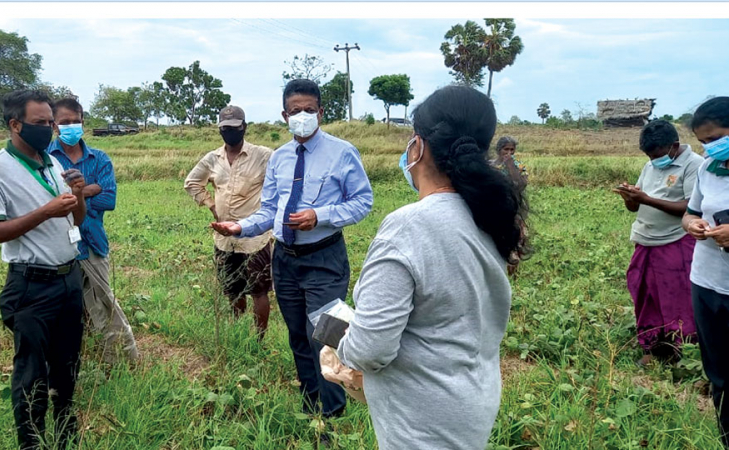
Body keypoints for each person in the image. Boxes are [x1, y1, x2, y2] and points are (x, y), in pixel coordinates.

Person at [336, 85, 527, 450]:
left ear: (418, 146)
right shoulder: (489, 215)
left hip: (422, 417)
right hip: (473, 397)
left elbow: (371, 349)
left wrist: (342, 347)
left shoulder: (409, 226)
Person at [211, 79, 373, 419]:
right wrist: (241, 226)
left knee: (325, 337)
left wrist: (321, 216)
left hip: (324, 260)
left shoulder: (342, 152)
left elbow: (363, 202)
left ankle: (332, 413)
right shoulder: (280, 158)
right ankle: (310, 402)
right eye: (295, 111)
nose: (303, 116)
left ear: (321, 113)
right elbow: (270, 209)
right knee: (298, 335)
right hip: (284, 260)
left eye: (309, 110)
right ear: (285, 115)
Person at [0, 90, 87, 449]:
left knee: (67, 366)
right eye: (40, 123)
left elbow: (75, 219)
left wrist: (79, 195)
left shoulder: (51, 163)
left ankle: (65, 435)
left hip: (69, 278)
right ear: (15, 124)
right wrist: (46, 211)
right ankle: (31, 442)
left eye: (50, 122)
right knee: (32, 373)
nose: (49, 129)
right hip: (31, 286)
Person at [47, 97, 139, 364]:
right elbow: (46, 201)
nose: (71, 126)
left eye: (76, 121)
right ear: (55, 126)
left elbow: (108, 199)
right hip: (57, 245)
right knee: (67, 307)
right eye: (65, 122)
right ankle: (78, 357)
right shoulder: (46, 158)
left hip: (92, 242)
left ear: (83, 122)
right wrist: (89, 189)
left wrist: (72, 195)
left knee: (104, 303)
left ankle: (122, 358)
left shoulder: (99, 158)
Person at [613, 119, 702, 366]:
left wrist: (647, 199)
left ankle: (681, 349)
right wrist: (630, 197)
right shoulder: (650, 166)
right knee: (645, 294)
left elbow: (690, 207)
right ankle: (653, 346)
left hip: (675, 241)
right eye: (648, 156)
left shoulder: (695, 165)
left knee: (676, 297)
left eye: (657, 155)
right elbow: (635, 207)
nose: (653, 160)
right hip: (645, 239)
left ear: (674, 146)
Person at [184, 105, 273, 338]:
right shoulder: (212, 158)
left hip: (255, 238)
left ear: (244, 127)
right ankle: (237, 332)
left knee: (259, 290)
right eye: (224, 128)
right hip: (224, 238)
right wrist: (211, 205)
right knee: (232, 289)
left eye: (234, 128)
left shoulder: (264, 156)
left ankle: (259, 338)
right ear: (219, 129)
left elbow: (281, 185)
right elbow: (192, 182)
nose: (229, 132)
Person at [682, 96, 729, 447]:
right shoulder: (707, 170)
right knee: (720, 375)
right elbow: (690, 211)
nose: (709, 148)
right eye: (704, 142)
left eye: (716, 139)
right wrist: (692, 223)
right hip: (707, 281)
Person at [493, 136, 529, 275]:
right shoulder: (490, 166)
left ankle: (513, 270)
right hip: (495, 207)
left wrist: (510, 165)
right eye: (505, 149)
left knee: (516, 237)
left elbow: (520, 185)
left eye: (511, 150)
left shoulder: (519, 166)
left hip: (515, 207)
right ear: (498, 150)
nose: (509, 153)